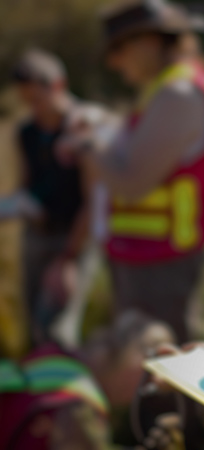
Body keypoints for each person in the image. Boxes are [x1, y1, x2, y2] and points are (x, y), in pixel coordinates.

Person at [60, 0, 204, 344]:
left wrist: (86, 146)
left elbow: (131, 183)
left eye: (119, 47)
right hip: (153, 252)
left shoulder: (177, 94)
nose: (112, 60)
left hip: (161, 260)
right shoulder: (167, 89)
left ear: (152, 41)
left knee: (157, 366)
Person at [11, 49, 115, 343]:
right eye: (26, 101)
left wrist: (69, 258)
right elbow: (26, 181)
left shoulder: (82, 128)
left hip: (73, 240)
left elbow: (92, 198)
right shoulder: (26, 132)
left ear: (57, 86)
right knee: (33, 323)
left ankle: (63, 388)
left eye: (37, 100)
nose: (33, 108)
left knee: (57, 328)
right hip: (36, 236)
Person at [0, 310, 184, 450]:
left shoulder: (54, 354)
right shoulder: (80, 413)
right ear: (134, 367)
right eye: (148, 376)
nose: (150, 386)